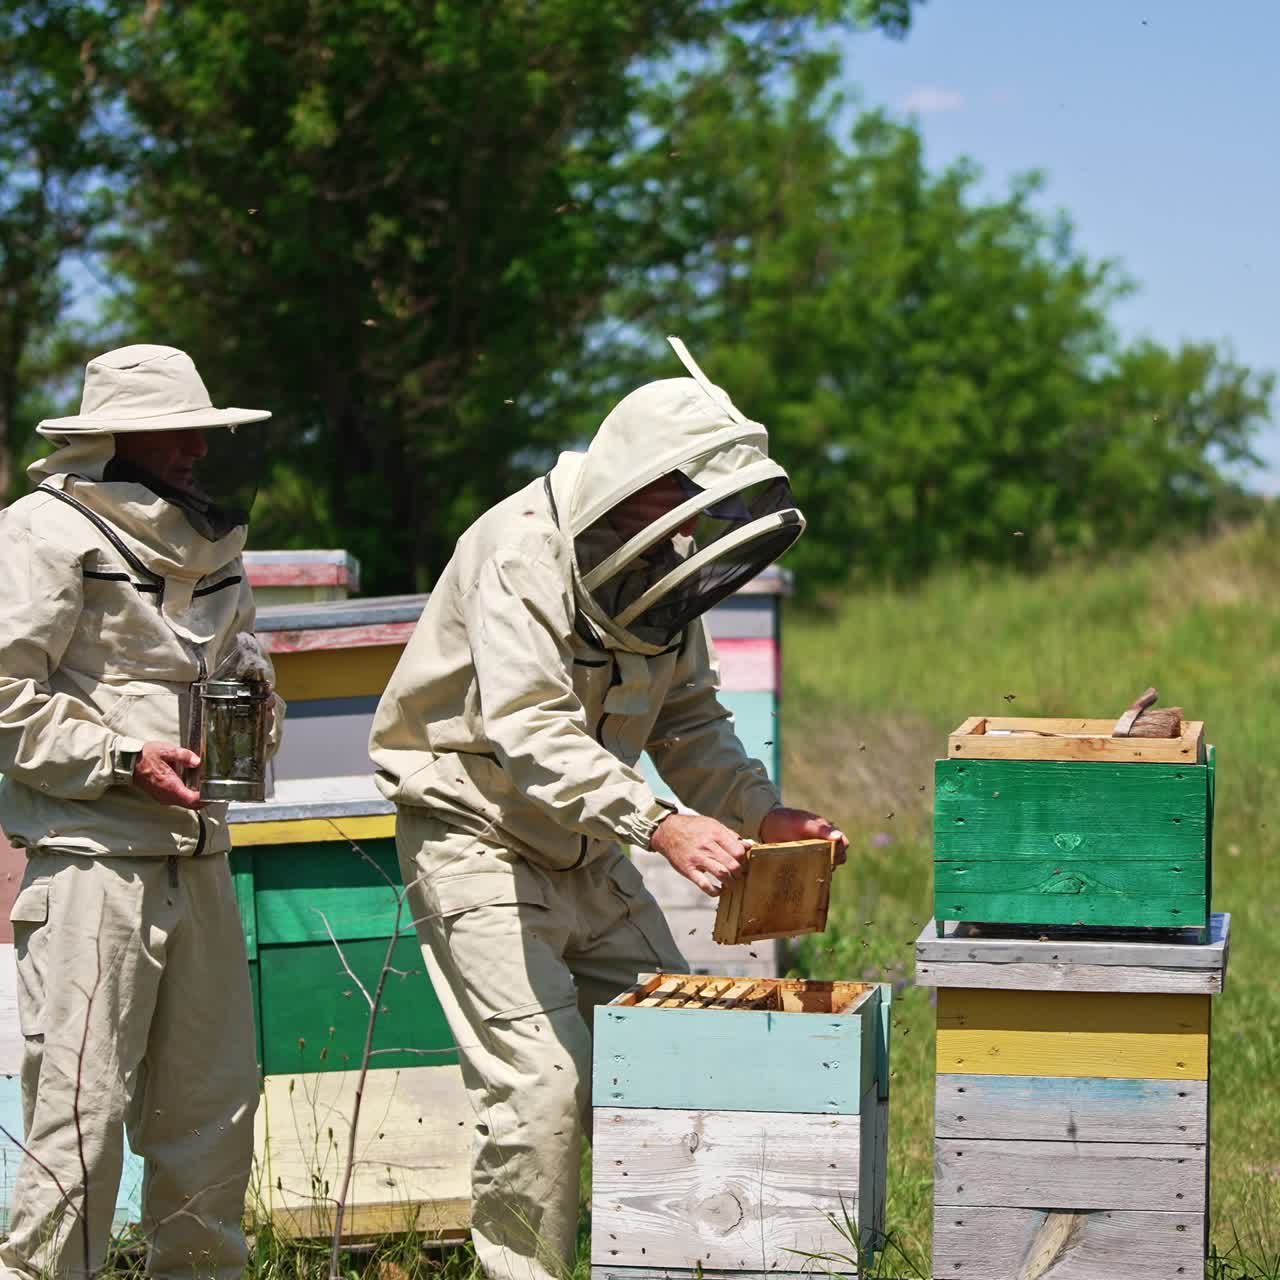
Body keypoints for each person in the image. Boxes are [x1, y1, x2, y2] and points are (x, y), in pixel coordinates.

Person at [370, 337, 848, 1280]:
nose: (681, 529)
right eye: (673, 503)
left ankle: (670, 1261)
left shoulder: (664, 566)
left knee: (681, 1051)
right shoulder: (517, 556)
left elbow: (691, 721)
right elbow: (533, 730)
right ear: (633, 483)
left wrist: (765, 814)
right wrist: (661, 825)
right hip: (478, 839)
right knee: (544, 1092)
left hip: (586, 853)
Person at [0, 345, 282, 1280]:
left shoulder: (210, 540)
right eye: (176, 430)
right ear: (115, 434)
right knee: (77, 1127)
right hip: (91, 866)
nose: (198, 446)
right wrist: (122, 756)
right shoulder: (39, 533)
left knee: (211, 1121)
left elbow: (235, 660)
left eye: (202, 428)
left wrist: (255, 695)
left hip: (197, 860)